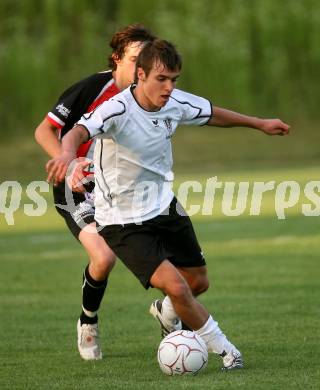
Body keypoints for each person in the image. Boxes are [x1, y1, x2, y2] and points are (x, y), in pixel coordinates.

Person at [46, 39, 290, 370]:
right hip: (122, 219)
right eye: (161, 79)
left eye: (174, 79)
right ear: (140, 74)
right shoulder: (117, 109)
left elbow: (212, 113)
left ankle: (167, 311)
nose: (169, 86)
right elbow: (78, 131)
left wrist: (259, 123)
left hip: (164, 206)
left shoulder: (173, 102)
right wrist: (66, 157)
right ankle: (226, 351)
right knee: (177, 286)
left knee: (197, 282)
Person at [34, 24, 156, 361]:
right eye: (134, 59)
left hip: (118, 187)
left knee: (163, 248)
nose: (141, 66)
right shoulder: (92, 87)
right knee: (103, 257)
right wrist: (68, 161)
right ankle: (88, 321)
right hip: (74, 187)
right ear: (117, 59)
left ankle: (171, 313)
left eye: (146, 58)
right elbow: (45, 130)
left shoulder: (147, 93)